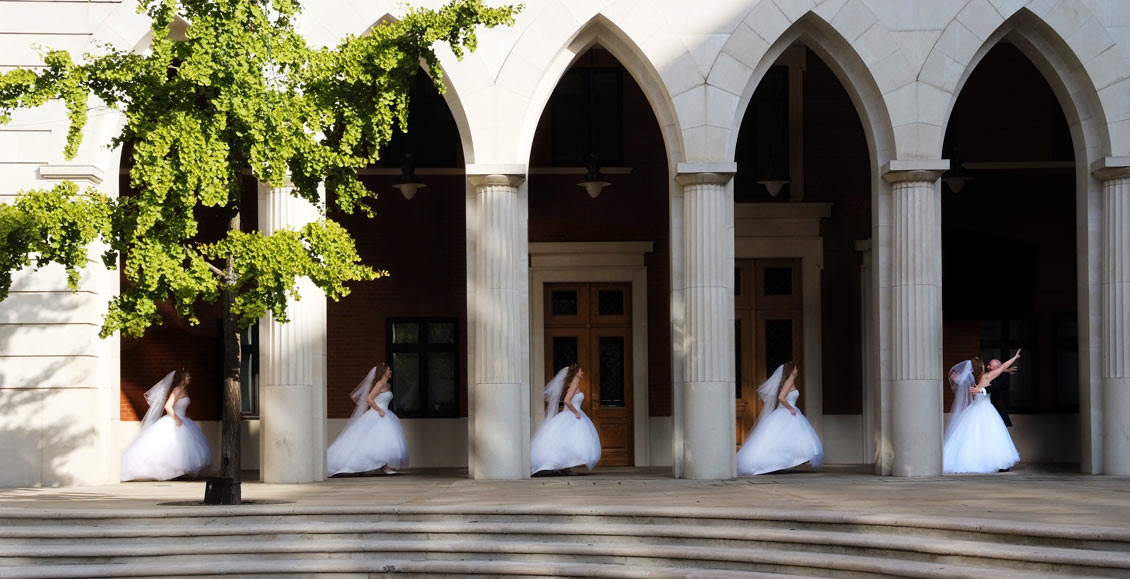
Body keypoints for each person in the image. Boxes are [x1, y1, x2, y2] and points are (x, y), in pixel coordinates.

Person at [120, 369, 214, 481]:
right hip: (174, 420)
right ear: (182, 378)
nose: (190, 378)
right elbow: (168, 406)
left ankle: (178, 472)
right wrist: (177, 419)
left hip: (183, 420)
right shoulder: (177, 390)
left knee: (183, 447)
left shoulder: (184, 390)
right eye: (187, 376)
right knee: (168, 446)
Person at [736, 363, 824, 475]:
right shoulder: (789, 382)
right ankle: (773, 464)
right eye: (795, 369)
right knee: (780, 439)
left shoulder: (791, 382)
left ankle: (782, 463)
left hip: (790, 412)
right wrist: (790, 408)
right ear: (791, 371)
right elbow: (781, 397)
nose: (797, 370)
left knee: (786, 440)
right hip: (787, 412)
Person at [943, 350, 1022, 474]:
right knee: (991, 436)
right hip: (986, 409)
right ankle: (992, 462)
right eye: (984, 365)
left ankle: (970, 460)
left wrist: (958, 380)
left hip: (974, 409)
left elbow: (964, 384)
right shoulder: (986, 377)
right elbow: (1002, 367)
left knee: (970, 437)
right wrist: (1015, 357)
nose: (986, 366)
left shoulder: (972, 378)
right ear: (980, 367)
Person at [326, 364, 409, 476]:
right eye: (389, 370)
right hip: (377, 414)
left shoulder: (387, 385)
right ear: (383, 372)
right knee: (373, 440)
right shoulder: (379, 384)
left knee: (382, 441)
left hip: (386, 414)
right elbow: (369, 399)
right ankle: (372, 466)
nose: (391, 371)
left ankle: (384, 466)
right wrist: (379, 410)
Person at [530, 364, 601, 475]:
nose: (582, 373)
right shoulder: (574, 385)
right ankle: (562, 466)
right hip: (572, 415)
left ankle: (565, 466)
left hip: (572, 414)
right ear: (576, 373)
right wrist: (576, 412)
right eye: (581, 371)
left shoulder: (574, 384)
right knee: (569, 441)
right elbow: (567, 401)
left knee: (570, 440)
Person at [978, 358, 1016, 427]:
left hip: (998, 407)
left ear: (996, 367)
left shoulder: (1004, 376)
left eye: (990, 365)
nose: (987, 367)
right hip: (986, 406)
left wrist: (980, 390)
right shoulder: (987, 375)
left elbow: (995, 386)